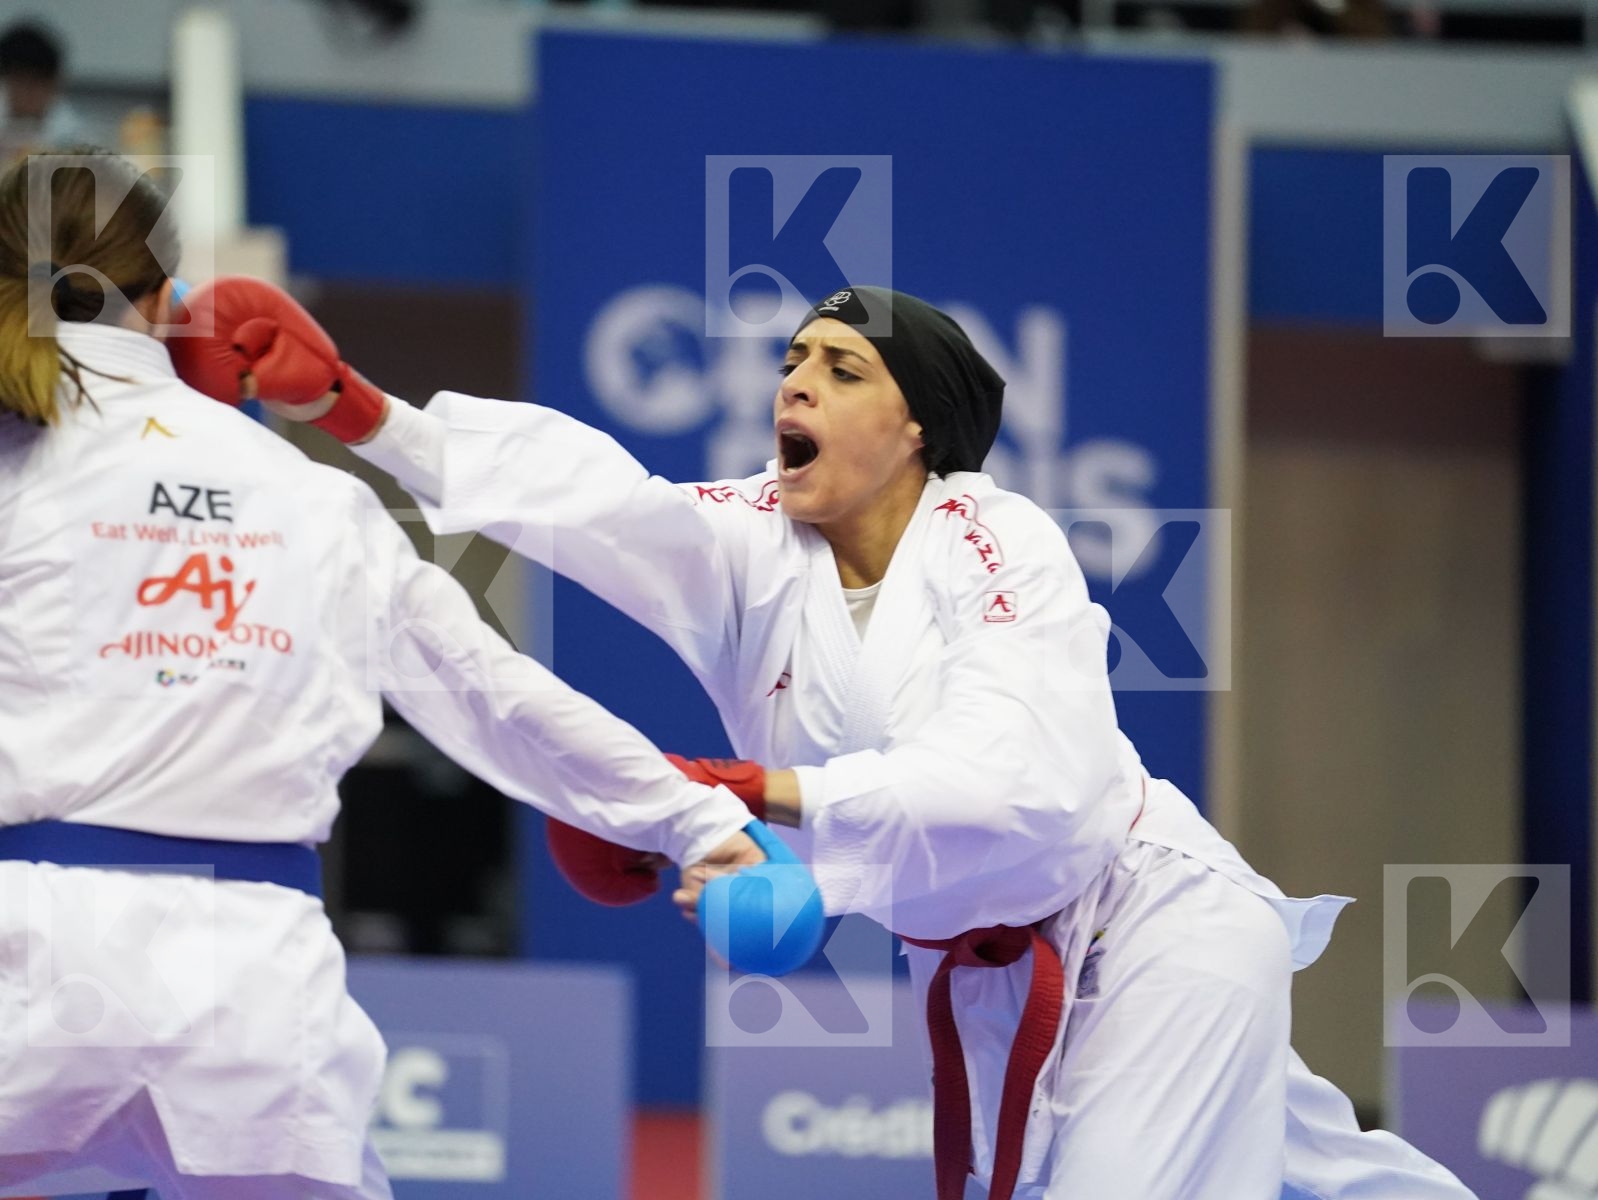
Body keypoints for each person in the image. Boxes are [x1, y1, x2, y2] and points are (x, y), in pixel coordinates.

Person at [185, 280, 1478, 1199]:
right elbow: (597, 506)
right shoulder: (750, 539)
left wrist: (752, 792)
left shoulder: (996, 539)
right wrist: (362, 412)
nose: (794, 380)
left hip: (1149, 920)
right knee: (1329, 1173)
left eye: (841, 368)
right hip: (976, 970)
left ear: (916, 430)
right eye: (792, 360)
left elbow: (1016, 781)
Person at [0, 151, 763, 1200]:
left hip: (30, 950)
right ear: (171, 299)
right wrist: (698, 823)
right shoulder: (309, 495)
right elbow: (491, 690)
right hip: (251, 981)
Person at [0, 23, 88, 161]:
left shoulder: (76, 137)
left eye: (36, 83)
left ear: (55, 84)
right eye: (21, 81)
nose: (27, 92)